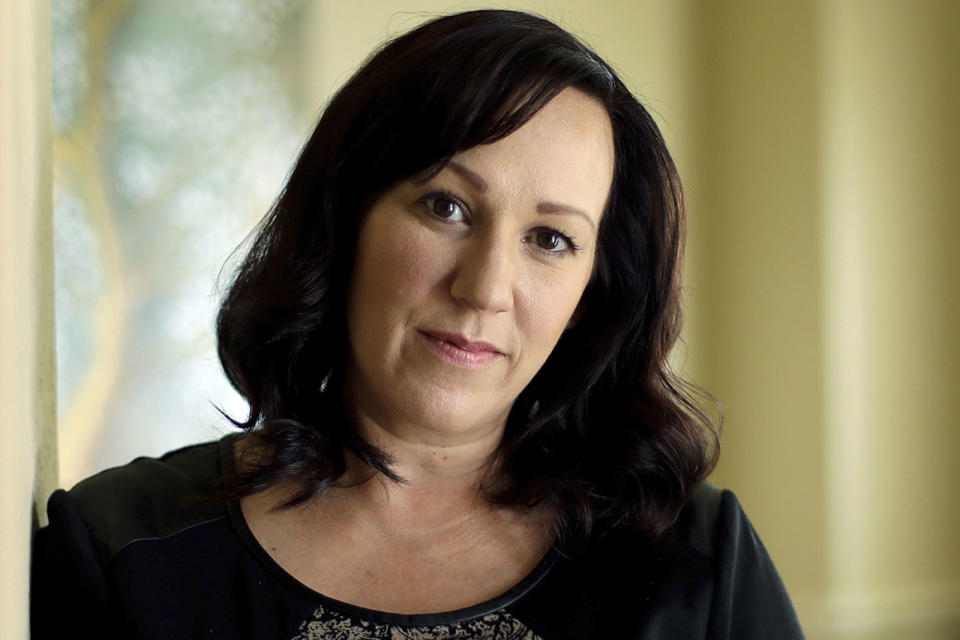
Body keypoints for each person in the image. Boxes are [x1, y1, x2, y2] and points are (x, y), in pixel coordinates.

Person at [31, 9, 804, 639]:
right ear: (345, 218)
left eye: (551, 239)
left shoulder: (696, 566)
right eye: (448, 206)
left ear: (592, 299)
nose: (486, 289)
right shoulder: (119, 553)